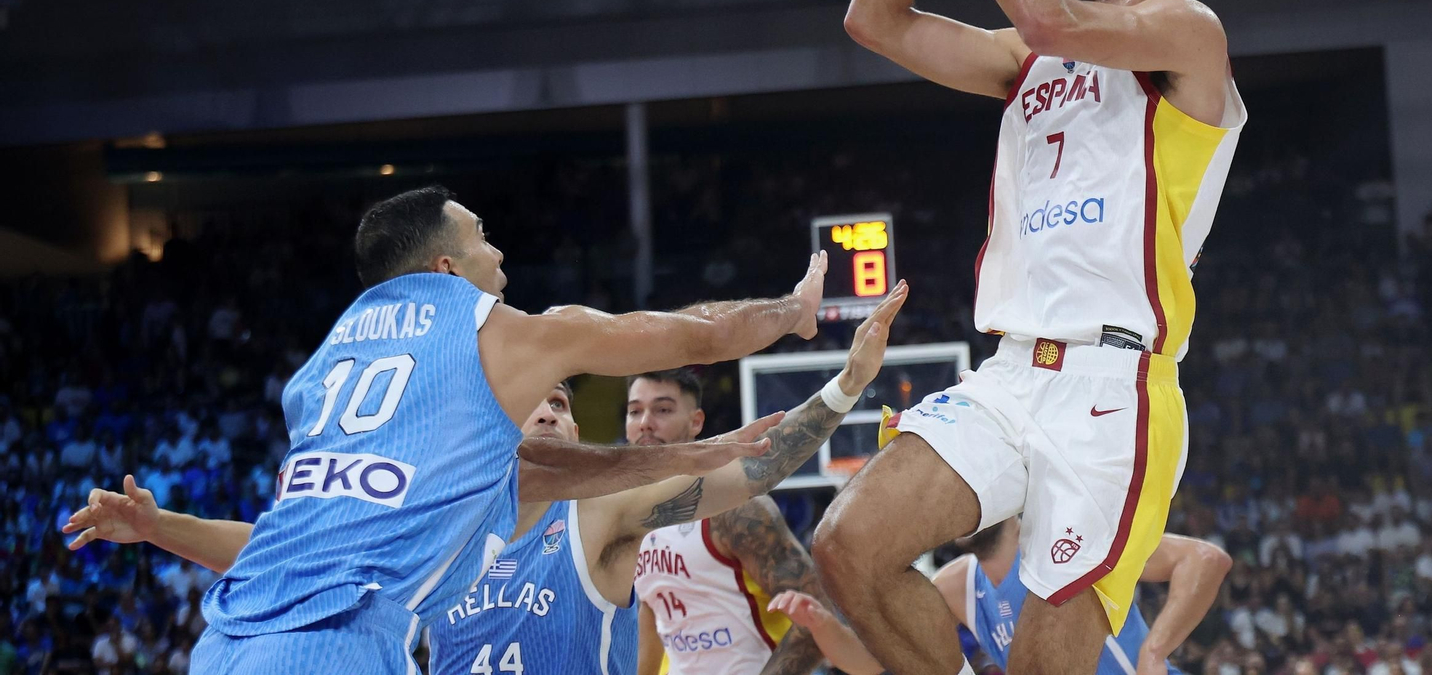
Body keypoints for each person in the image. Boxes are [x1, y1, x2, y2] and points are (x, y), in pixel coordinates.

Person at [818, 0, 1243, 675]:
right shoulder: (1028, 62)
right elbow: (874, 20)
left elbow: (1051, 12)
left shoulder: (1187, 33)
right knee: (849, 542)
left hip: (1113, 388)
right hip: (1012, 371)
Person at [70, 185, 827, 674]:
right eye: (482, 235)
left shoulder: (322, 370)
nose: (498, 250)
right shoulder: (497, 337)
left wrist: (161, 524)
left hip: (227, 648)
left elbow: (285, 551)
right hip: (342, 645)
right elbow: (685, 337)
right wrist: (788, 313)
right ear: (445, 266)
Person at [631, 339, 903, 675]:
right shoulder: (628, 518)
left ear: (696, 421)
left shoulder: (733, 510)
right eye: (634, 411)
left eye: (662, 409)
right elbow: (653, 621)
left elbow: (815, 614)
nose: (645, 422)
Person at [771, 520, 1233, 675]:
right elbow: (877, 661)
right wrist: (821, 624)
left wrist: (1155, 651)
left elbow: (1204, 560)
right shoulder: (957, 585)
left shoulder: (1070, 543)